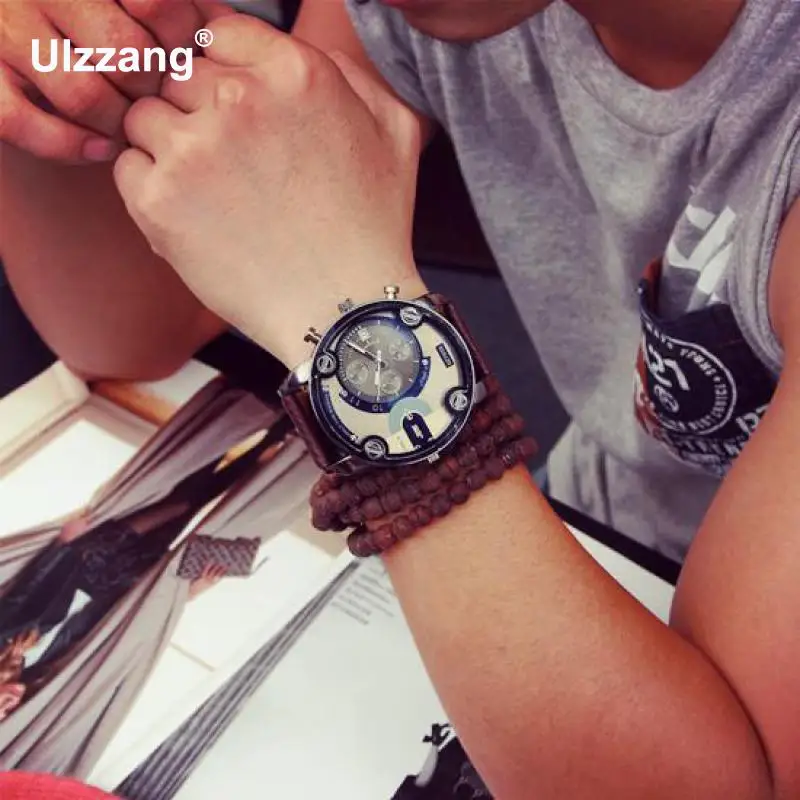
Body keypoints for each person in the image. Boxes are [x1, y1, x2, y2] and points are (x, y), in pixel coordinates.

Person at [1, 0, 799, 797]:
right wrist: (56, 93)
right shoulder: (424, 15)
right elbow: (128, 333)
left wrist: (345, 310)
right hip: (591, 525)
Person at [0, 427, 274, 701]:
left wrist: (62, 544)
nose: (7, 706)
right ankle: (267, 442)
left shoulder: (4, 637)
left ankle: (232, 426)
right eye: (5, 713)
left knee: (179, 500)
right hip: (124, 584)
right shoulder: (45, 676)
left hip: (92, 560)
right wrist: (186, 595)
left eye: (0, 706)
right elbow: (123, 636)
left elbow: (24, 591)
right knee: (192, 510)